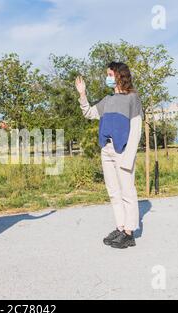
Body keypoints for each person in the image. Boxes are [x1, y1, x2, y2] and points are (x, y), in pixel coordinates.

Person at [75, 62, 143, 249]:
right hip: (107, 150)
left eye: (110, 74)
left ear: (120, 75)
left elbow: (136, 130)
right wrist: (82, 94)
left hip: (123, 151)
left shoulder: (133, 98)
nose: (107, 77)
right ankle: (120, 227)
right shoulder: (107, 99)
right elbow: (89, 113)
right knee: (114, 192)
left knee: (127, 192)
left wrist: (129, 156)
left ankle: (129, 233)